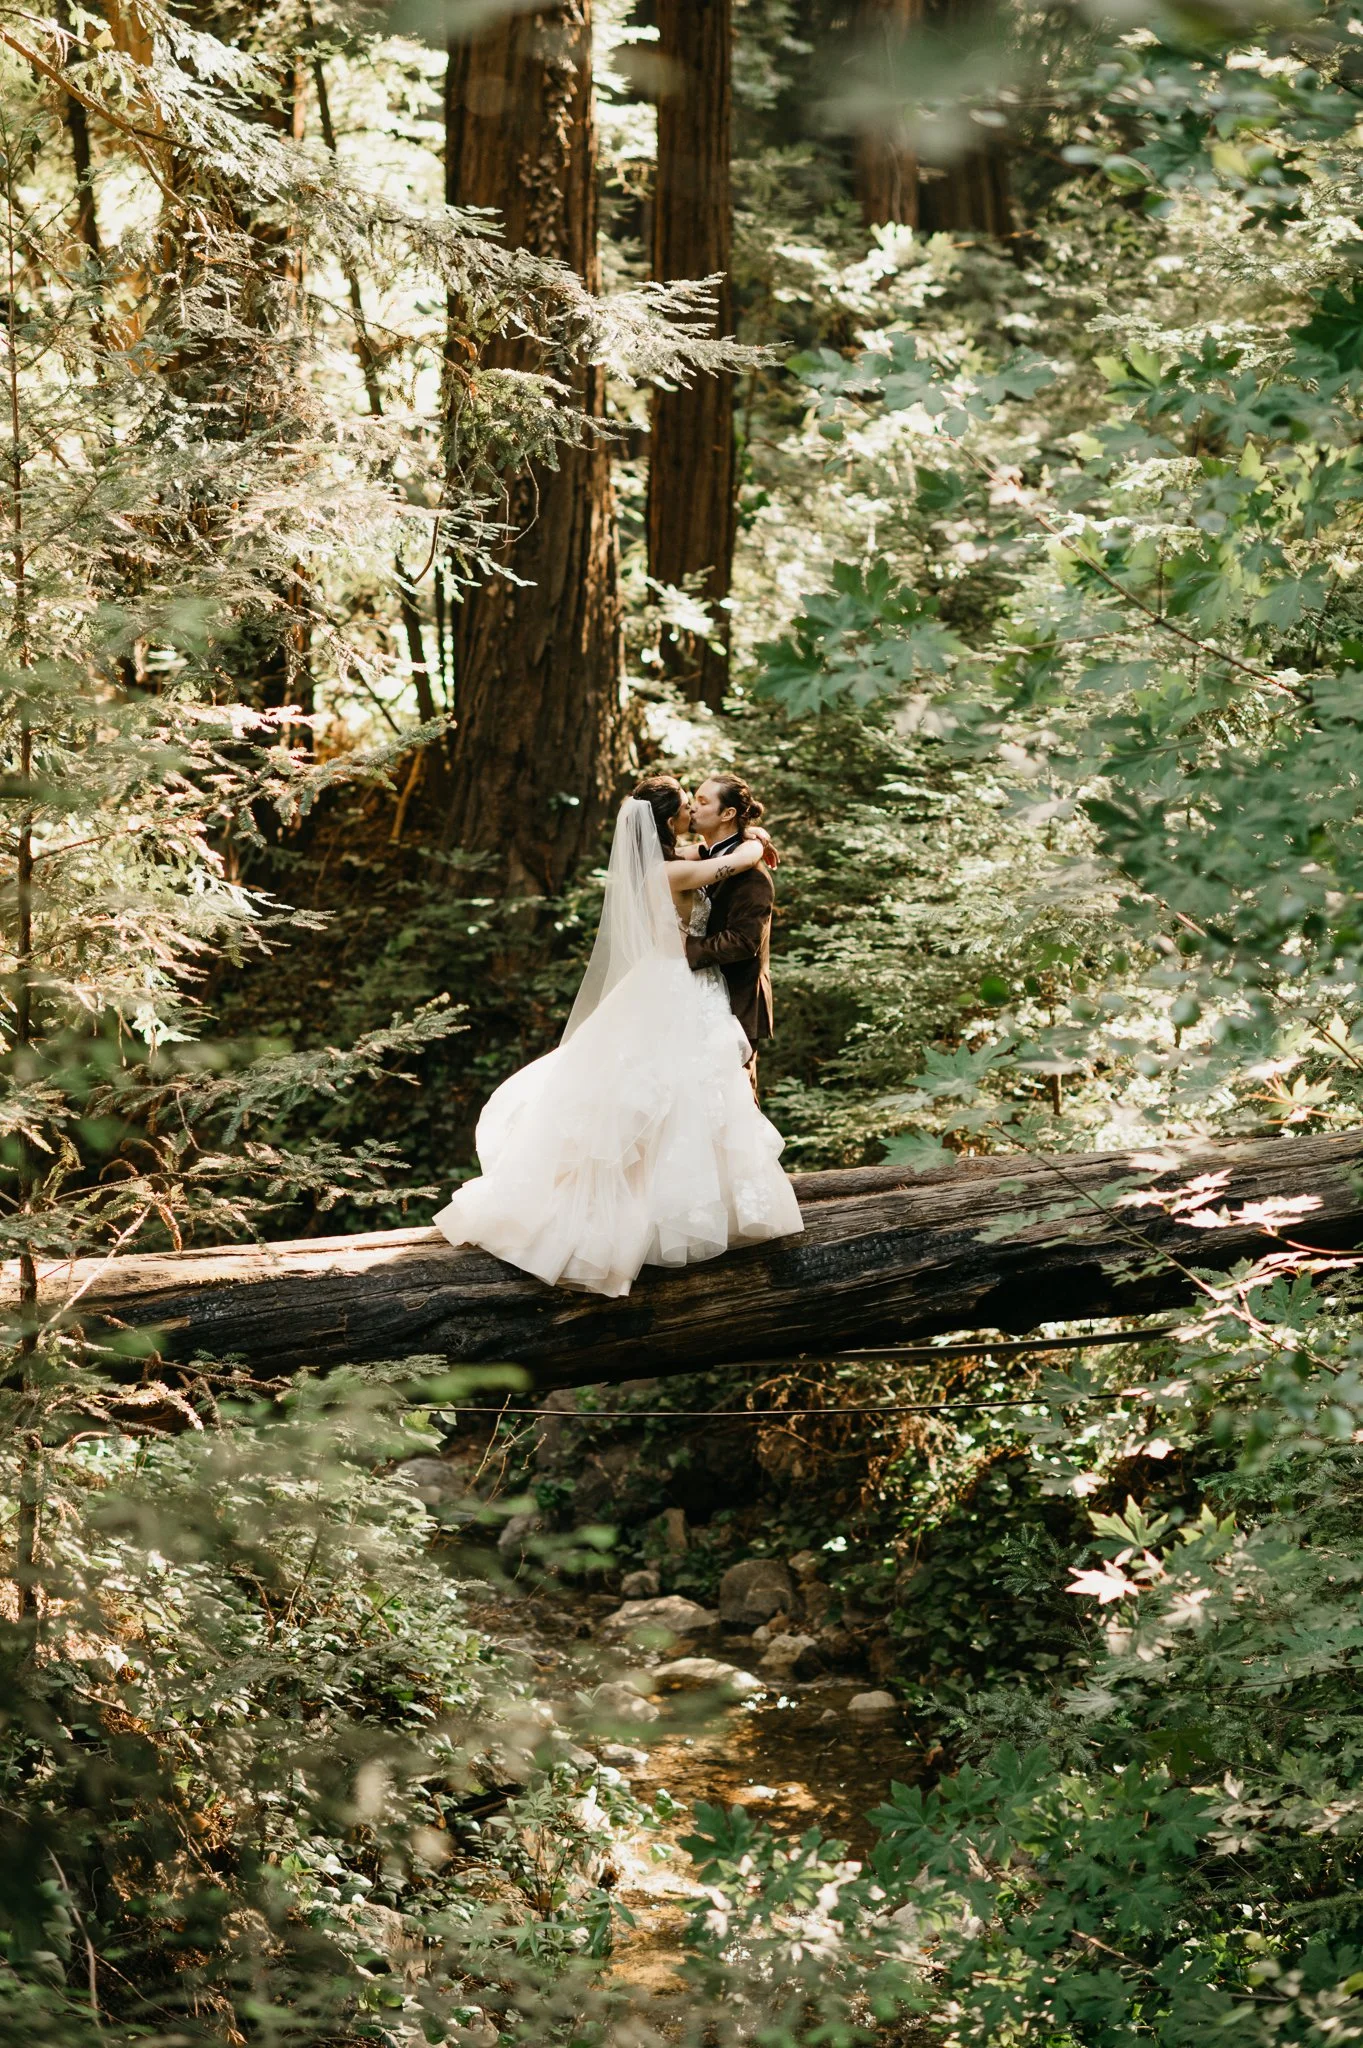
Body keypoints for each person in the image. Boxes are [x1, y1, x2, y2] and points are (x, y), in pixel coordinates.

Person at [431, 777, 804, 1298]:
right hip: (676, 981)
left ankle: (678, 1203)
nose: (693, 812)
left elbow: (728, 865)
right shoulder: (674, 869)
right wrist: (754, 843)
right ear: (668, 821)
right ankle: (647, 1216)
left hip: (673, 981)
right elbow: (733, 864)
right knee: (667, 1092)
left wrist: (749, 836)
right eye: (687, 806)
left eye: (700, 804)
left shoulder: (674, 857)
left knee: (674, 1094)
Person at [685, 773, 776, 1098]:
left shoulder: (752, 877)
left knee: (734, 1107)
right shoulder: (701, 857)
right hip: (691, 997)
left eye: (702, 801)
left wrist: (684, 950)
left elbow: (743, 942)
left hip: (733, 1003)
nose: (693, 808)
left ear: (728, 814)